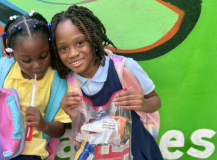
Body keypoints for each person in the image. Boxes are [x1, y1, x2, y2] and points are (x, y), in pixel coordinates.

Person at [50, 5, 163, 159]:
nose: (73, 53)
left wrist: (143, 104)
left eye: (80, 43)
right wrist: (74, 115)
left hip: (137, 151)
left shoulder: (125, 68)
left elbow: (155, 101)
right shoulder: (69, 85)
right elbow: (82, 129)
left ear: (94, 40)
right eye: (63, 48)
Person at [0, 10, 71, 160]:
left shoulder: (56, 83)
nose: (37, 65)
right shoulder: (2, 69)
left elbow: (61, 129)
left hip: (30, 153)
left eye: (43, 56)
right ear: (12, 54)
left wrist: (43, 125)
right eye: (27, 60)